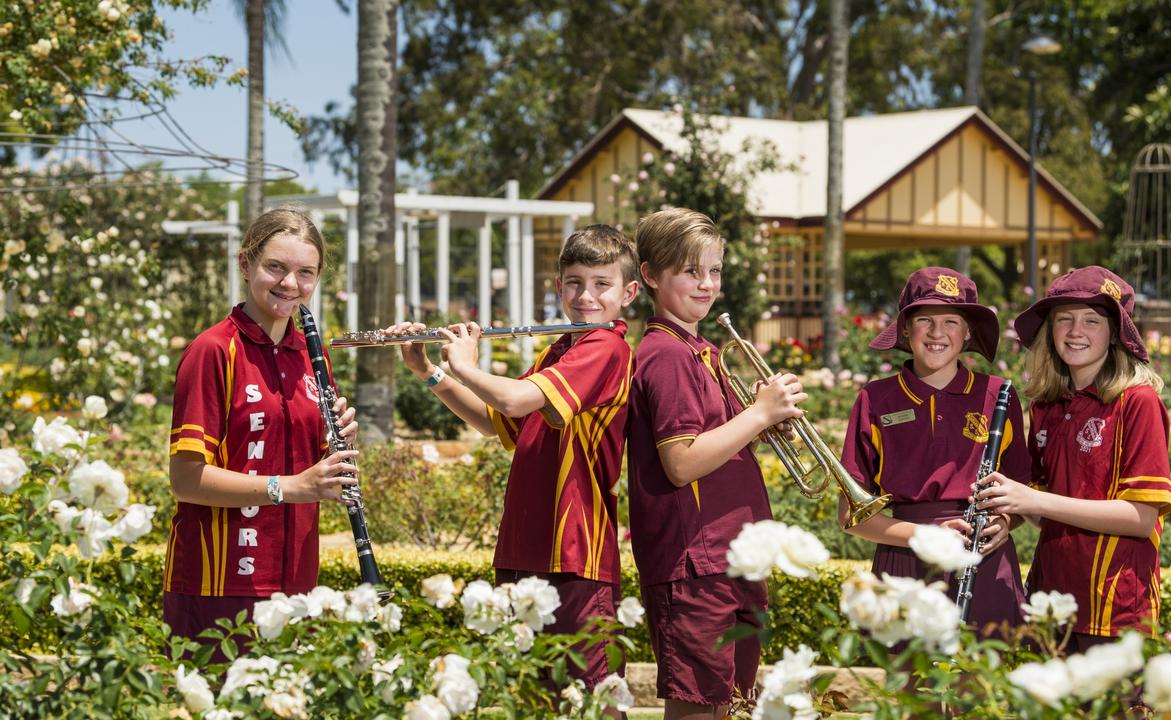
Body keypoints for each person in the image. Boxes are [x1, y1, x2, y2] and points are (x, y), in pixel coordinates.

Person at [389, 225, 639, 695]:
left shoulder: (607, 347)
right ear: (559, 286)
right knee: (530, 697)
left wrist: (466, 364)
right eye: (574, 282)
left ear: (627, 292)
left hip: (575, 553)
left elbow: (514, 400)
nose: (586, 296)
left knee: (588, 700)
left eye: (601, 284)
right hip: (526, 547)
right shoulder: (562, 347)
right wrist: (428, 371)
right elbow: (494, 422)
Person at [627, 207, 806, 720]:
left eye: (715, 271)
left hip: (729, 555)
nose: (706, 285)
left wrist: (766, 420)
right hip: (695, 561)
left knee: (731, 707)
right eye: (690, 271)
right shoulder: (665, 353)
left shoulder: (702, 350)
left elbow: (721, 444)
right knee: (697, 711)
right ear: (651, 276)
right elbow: (681, 463)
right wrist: (757, 414)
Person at [163, 207, 358, 653]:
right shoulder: (213, 350)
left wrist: (339, 441)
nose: (291, 284)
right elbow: (185, 480)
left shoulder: (314, 355)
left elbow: (306, 464)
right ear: (246, 264)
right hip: (218, 584)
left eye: (305, 273)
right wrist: (290, 487)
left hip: (296, 581)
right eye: (276, 267)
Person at [975, 266, 1171, 650]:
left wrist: (1033, 500)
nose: (1075, 331)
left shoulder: (1138, 401)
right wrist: (1006, 517)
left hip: (1114, 612)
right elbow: (1035, 503)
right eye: (1063, 319)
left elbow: (1141, 517)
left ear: (1115, 333)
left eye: (1091, 320)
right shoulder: (1046, 406)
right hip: (1050, 603)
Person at [838, 267, 1029, 632]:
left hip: (984, 559)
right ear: (906, 329)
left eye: (951, 321)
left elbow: (1022, 492)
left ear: (969, 331)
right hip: (905, 562)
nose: (937, 333)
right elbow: (850, 516)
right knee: (910, 683)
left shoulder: (999, 394)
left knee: (979, 684)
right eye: (924, 319)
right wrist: (924, 536)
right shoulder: (875, 399)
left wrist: (1004, 522)